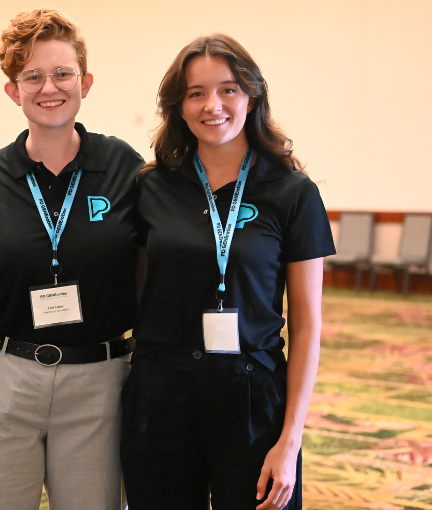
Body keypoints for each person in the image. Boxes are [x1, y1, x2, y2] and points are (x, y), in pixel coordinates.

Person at [121, 34, 335, 510]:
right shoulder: (151, 186)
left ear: (252, 95)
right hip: (162, 396)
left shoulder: (292, 192)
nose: (212, 105)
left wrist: (291, 440)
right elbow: (136, 289)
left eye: (228, 89)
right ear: (178, 106)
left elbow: (306, 325)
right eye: (196, 93)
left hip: (252, 394)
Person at [0, 9, 144, 510]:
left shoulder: (123, 167)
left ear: (86, 82)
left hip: (100, 383)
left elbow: (163, 262)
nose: (48, 87)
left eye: (61, 73)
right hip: (3, 379)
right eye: (32, 76)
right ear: (13, 90)